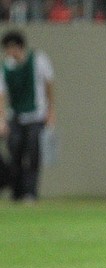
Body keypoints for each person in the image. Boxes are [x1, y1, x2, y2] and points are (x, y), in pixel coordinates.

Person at [0, 30, 55, 202]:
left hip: (36, 116)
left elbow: (48, 85)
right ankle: (16, 192)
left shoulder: (38, 60)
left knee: (32, 155)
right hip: (15, 116)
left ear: (19, 47)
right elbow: (1, 95)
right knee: (15, 153)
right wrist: (2, 120)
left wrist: (51, 111)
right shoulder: (5, 68)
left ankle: (30, 193)